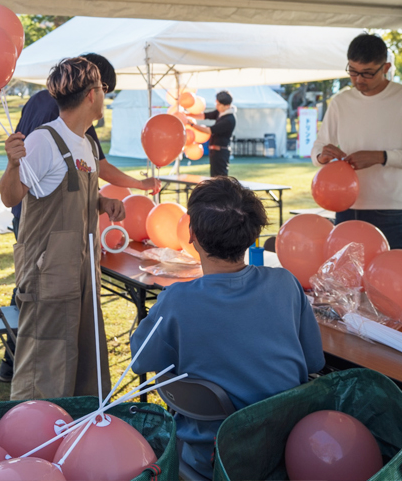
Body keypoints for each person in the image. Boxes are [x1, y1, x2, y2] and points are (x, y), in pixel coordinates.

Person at [130, 177, 324, 478]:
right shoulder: (286, 283)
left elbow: (141, 360)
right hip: (285, 452)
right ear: (253, 235)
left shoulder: (176, 301)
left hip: (208, 456)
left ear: (191, 234)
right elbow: (314, 362)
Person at [0, 53, 159, 382]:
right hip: (50, 271)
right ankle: (39, 430)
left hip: (82, 268)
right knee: (45, 361)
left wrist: (100, 202)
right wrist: (13, 165)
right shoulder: (44, 140)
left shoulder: (84, 142)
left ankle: (79, 423)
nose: (104, 96)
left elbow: (61, 190)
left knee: (81, 356)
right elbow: (10, 197)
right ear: (91, 95)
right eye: (103, 88)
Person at [311, 34, 402, 250]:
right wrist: (322, 156)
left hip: (391, 211)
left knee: (390, 281)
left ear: (385, 67)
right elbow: (318, 148)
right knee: (346, 283)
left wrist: (382, 157)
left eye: (367, 73)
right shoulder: (341, 101)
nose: (359, 80)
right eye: (353, 71)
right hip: (346, 207)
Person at [191, 90, 236, 177]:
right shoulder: (220, 112)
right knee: (214, 176)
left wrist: (192, 124)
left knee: (220, 178)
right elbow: (205, 115)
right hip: (215, 151)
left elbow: (209, 130)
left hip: (221, 151)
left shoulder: (229, 119)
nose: (216, 106)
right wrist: (187, 115)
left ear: (227, 106)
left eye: (219, 104)